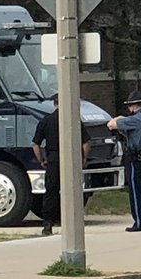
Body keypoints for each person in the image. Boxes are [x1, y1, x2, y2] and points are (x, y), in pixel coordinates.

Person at [31, 93, 92, 236]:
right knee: (72, 191)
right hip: (71, 158)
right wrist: (83, 158)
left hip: (53, 159)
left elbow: (35, 144)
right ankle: (73, 223)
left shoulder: (46, 120)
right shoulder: (74, 120)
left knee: (51, 192)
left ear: (54, 104)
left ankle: (47, 225)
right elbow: (87, 142)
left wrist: (41, 160)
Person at [107, 90, 141, 231]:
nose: (129, 109)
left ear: (134, 106)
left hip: (137, 157)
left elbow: (111, 124)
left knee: (136, 190)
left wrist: (120, 118)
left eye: (130, 106)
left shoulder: (134, 120)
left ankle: (139, 223)